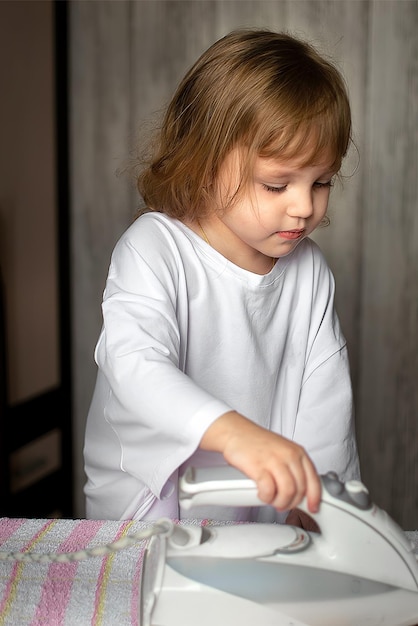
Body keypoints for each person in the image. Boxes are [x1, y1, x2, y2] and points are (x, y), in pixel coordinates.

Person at [83, 28, 360, 526]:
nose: (304, 207)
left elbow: (326, 407)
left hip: (253, 508)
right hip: (150, 509)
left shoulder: (310, 271)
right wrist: (232, 431)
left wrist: (324, 504)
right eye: (277, 184)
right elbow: (135, 365)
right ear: (206, 163)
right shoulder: (155, 248)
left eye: (321, 182)